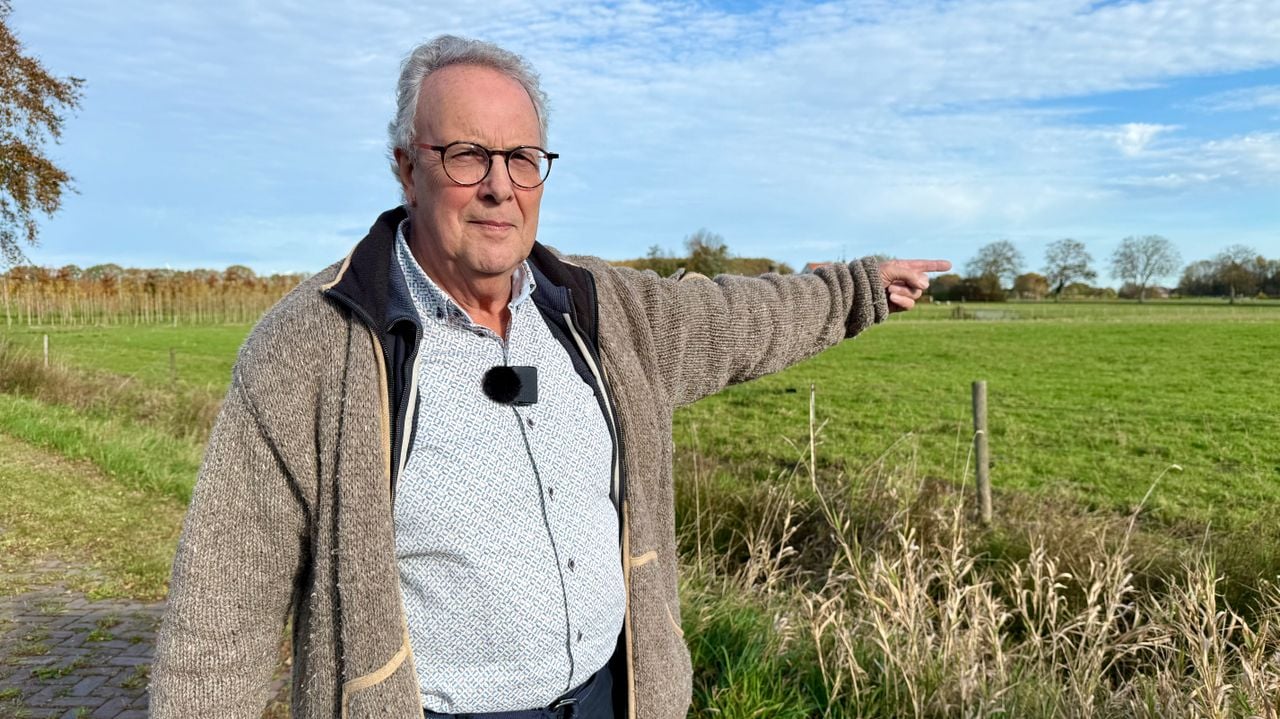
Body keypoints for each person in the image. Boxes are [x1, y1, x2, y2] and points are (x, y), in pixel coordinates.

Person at [150, 35, 950, 719]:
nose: (500, 184)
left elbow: (739, 319)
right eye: (466, 155)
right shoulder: (314, 343)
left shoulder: (602, 310)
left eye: (523, 158)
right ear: (407, 168)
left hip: (612, 694)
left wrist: (859, 290)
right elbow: (221, 609)